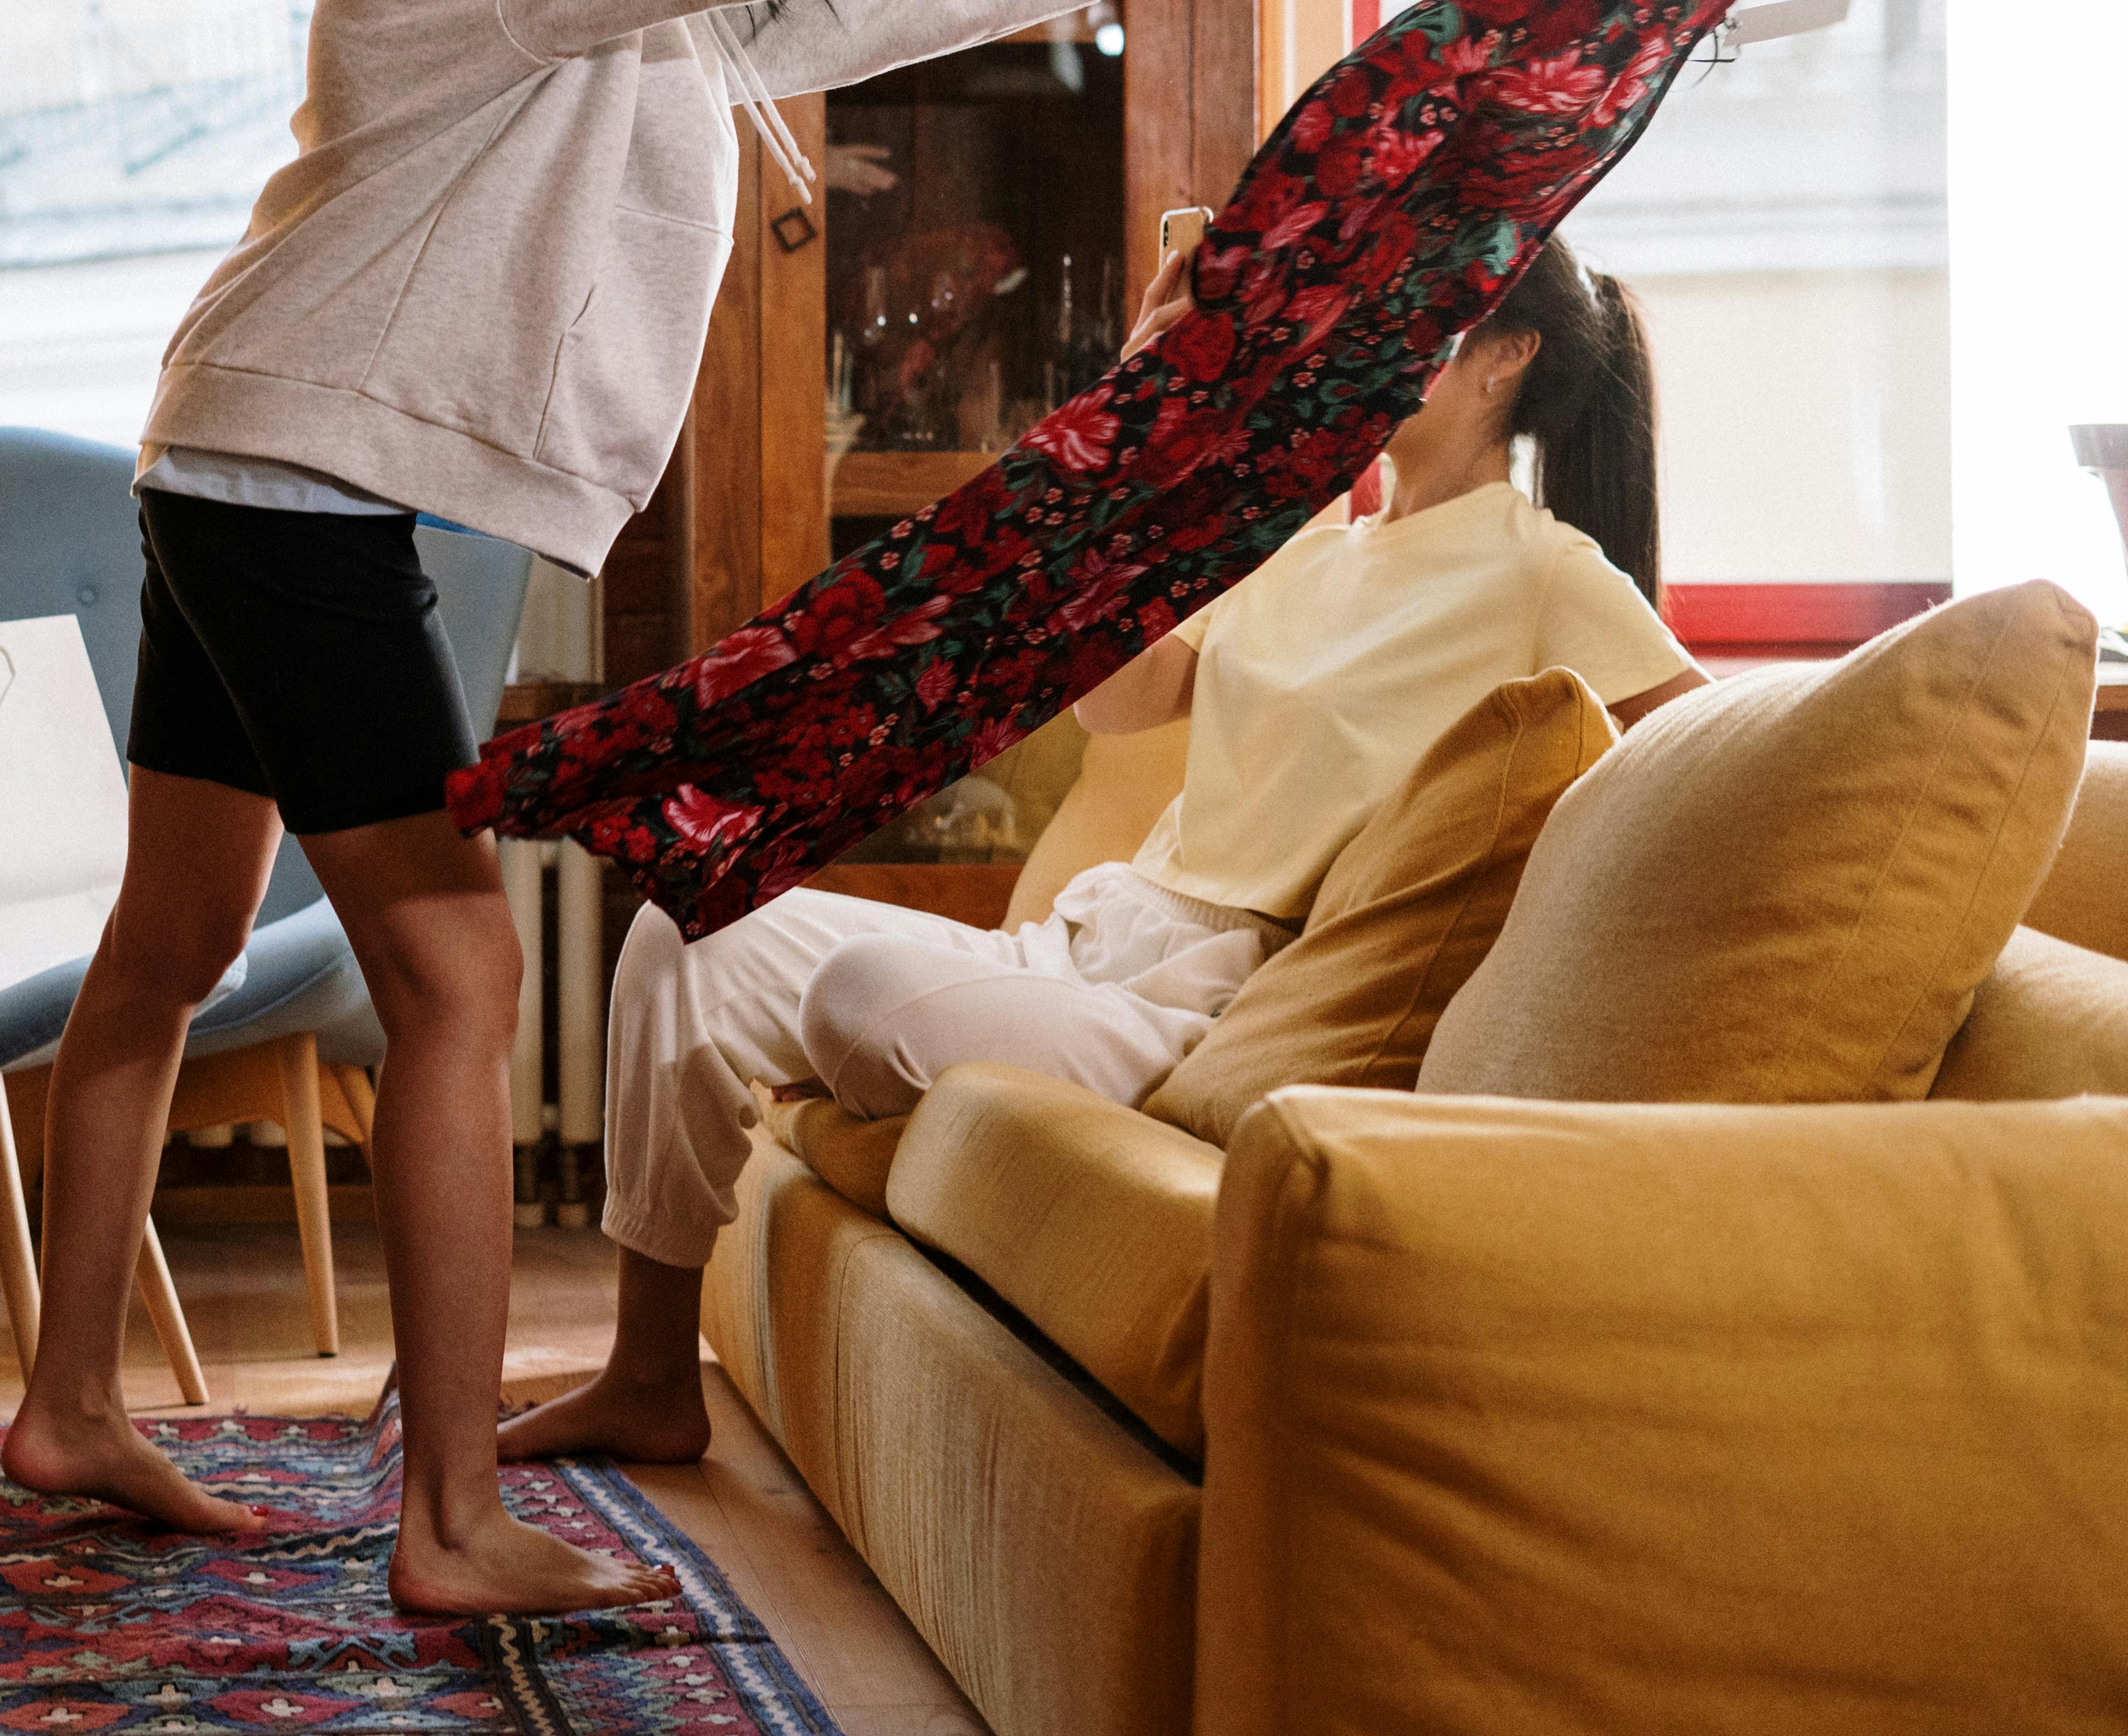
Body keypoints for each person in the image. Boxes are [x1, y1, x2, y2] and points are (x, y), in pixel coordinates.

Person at [0, 0, 1441, 1616]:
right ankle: (453, 1525)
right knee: (461, 978)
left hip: (252, 440)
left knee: (177, 929)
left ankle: (68, 1401)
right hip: (299, 471)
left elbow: (823, 1)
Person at [502, 239, 1705, 1467]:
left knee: (855, 1000)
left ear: (1508, 355)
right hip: (1096, 933)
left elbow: (1696, 754)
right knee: (687, 926)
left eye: (1425, 315)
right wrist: (1137, 431)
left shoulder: (1544, 569)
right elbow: (1114, 702)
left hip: (1226, 1000)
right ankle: (647, 1377)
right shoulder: (1299, 547)